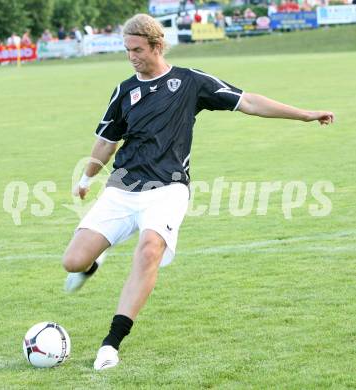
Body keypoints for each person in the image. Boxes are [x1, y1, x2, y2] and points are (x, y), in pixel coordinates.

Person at [62, 13, 334, 371]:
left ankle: (111, 343)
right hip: (122, 189)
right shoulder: (125, 90)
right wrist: (86, 178)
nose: (132, 57)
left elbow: (248, 101)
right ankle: (93, 261)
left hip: (168, 189)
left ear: (157, 45)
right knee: (73, 262)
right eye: (127, 50)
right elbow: (106, 141)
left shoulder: (189, 82)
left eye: (138, 49)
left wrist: (304, 114)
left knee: (149, 251)